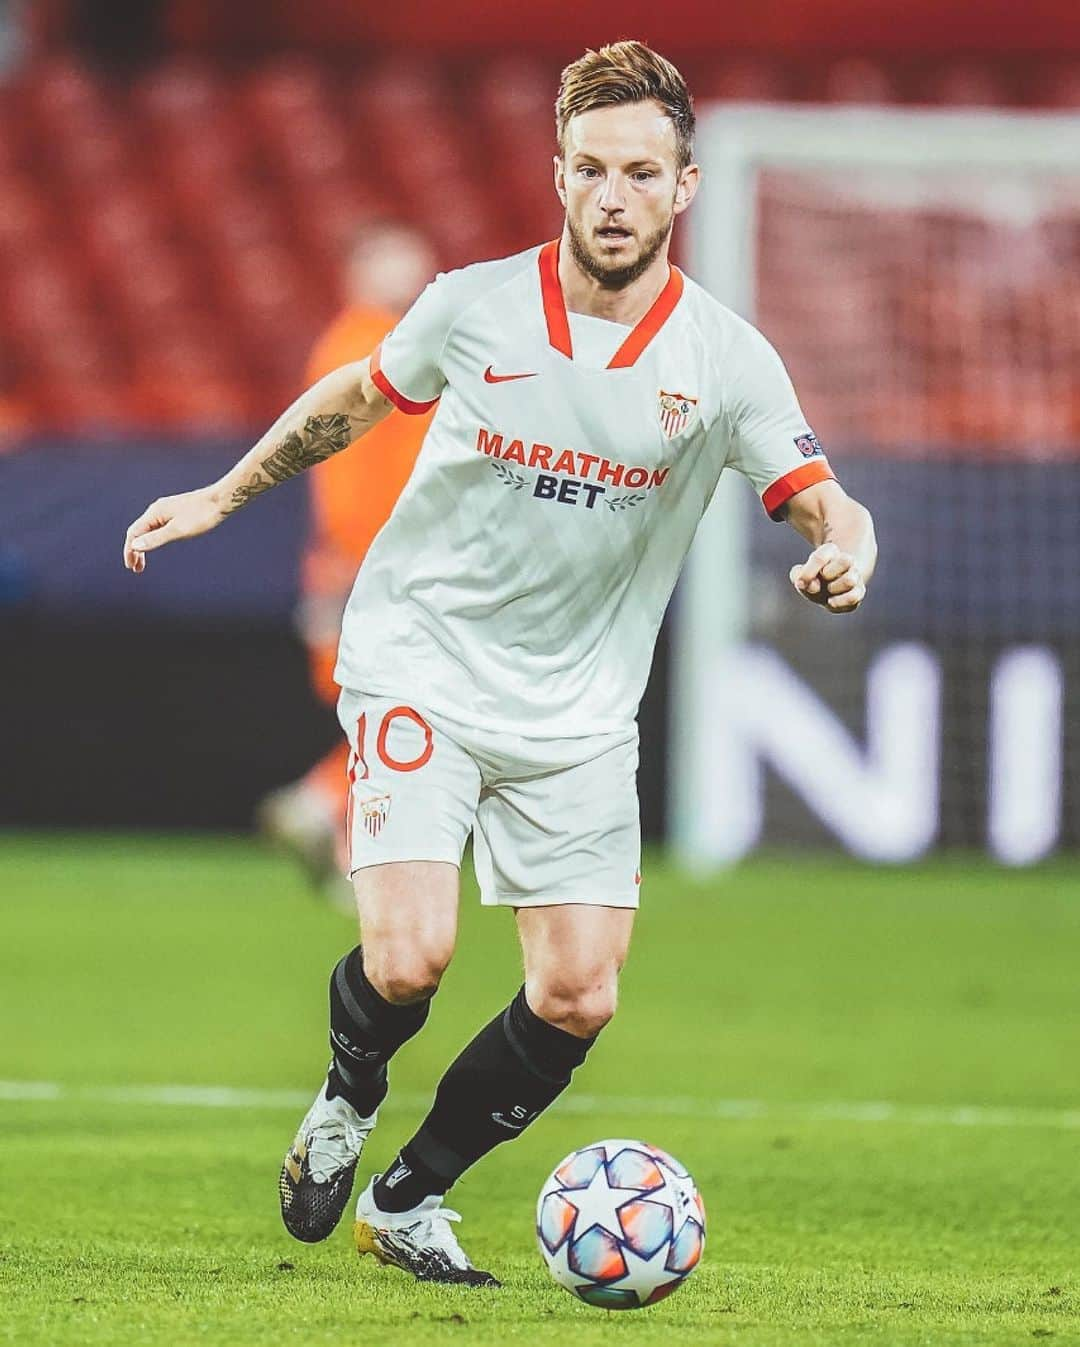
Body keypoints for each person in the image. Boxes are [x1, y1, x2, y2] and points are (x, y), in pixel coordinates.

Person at [123, 41, 877, 1287]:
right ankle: (345, 1102)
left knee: (580, 994)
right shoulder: (473, 304)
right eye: (592, 169)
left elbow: (826, 501)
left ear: (685, 186)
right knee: (410, 956)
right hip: (422, 654)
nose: (615, 195)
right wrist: (221, 494)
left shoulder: (727, 362)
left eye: (642, 172)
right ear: (559, 177)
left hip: (580, 708)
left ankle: (409, 1200)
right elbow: (353, 402)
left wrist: (850, 553)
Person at [256, 223, 436, 902]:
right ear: (359, 272)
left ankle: (340, 842)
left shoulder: (363, 347)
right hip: (372, 563)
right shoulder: (374, 351)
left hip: (355, 561)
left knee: (395, 711)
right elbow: (359, 482)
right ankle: (324, 804)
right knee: (406, 710)